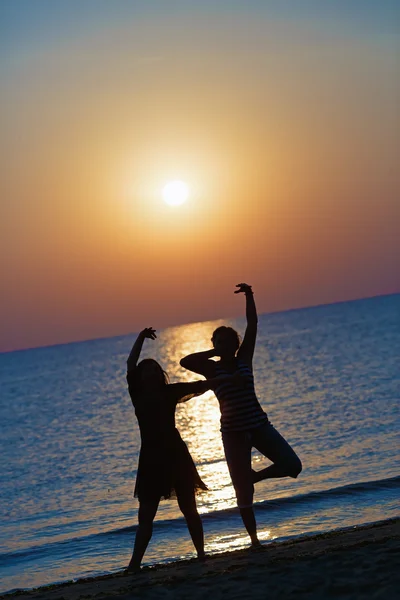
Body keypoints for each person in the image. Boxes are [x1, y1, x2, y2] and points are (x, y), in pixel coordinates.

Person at [180, 283, 302, 547]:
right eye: (218, 342)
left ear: (236, 344)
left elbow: (253, 324)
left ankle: (256, 475)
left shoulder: (244, 359)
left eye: (228, 342)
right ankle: (255, 540)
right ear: (214, 345)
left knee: (293, 465)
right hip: (233, 433)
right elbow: (185, 362)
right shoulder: (211, 370)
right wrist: (214, 352)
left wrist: (249, 295)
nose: (224, 345)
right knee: (243, 491)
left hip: (259, 425)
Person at [126, 326, 242, 572]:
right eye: (146, 369)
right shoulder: (136, 394)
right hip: (150, 458)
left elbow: (202, 384)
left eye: (155, 369)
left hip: (176, 455)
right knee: (146, 515)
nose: (151, 372)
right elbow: (130, 363)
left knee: (189, 508)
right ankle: (134, 564)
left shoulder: (170, 392)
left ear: (161, 375)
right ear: (140, 376)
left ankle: (201, 554)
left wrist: (227, 379)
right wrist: (140, 337)